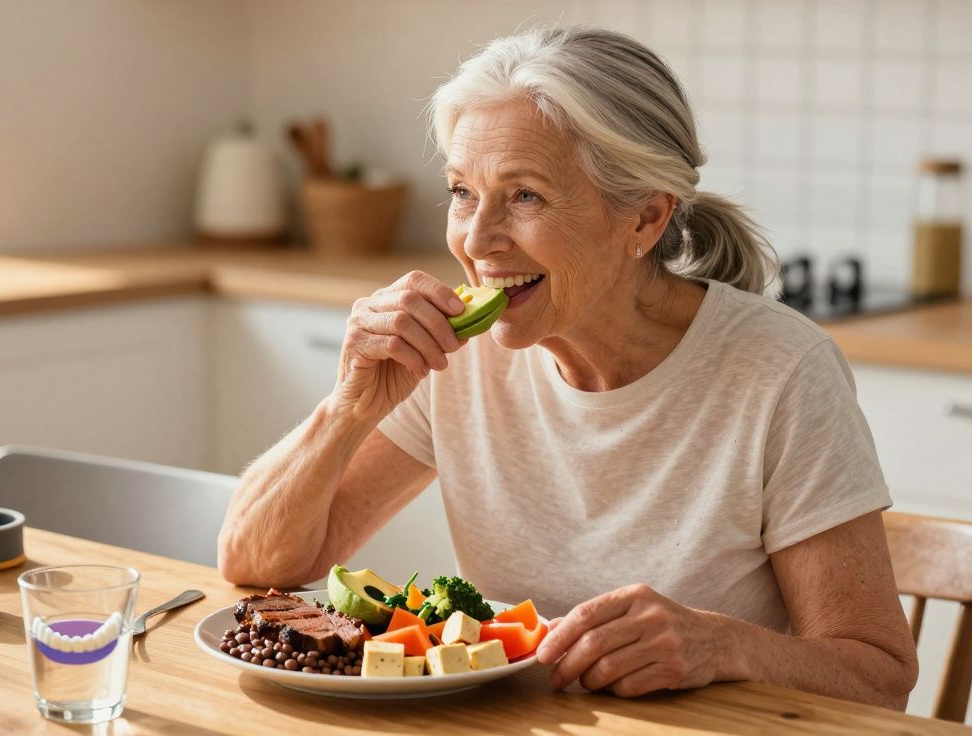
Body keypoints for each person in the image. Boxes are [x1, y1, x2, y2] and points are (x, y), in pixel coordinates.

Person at [217, 26, 917, 708]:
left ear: (643, 220)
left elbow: (880, 675)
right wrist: (348, 407)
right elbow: (256, 565)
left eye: (525, 196)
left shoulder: (781, 370)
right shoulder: (456, 355)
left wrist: (722, 646)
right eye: (463, 192)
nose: (477, 240)